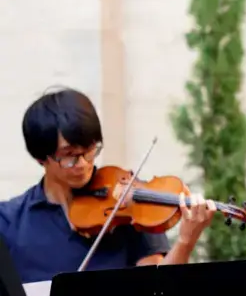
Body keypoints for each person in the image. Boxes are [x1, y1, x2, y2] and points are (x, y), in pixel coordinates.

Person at [0, 87, 217, 284]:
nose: (83, 164)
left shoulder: (130, 204)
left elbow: (158, 290)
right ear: (41, 158)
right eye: (69, 156)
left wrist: (186, 241)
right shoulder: (9, 223)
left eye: (90, 150)